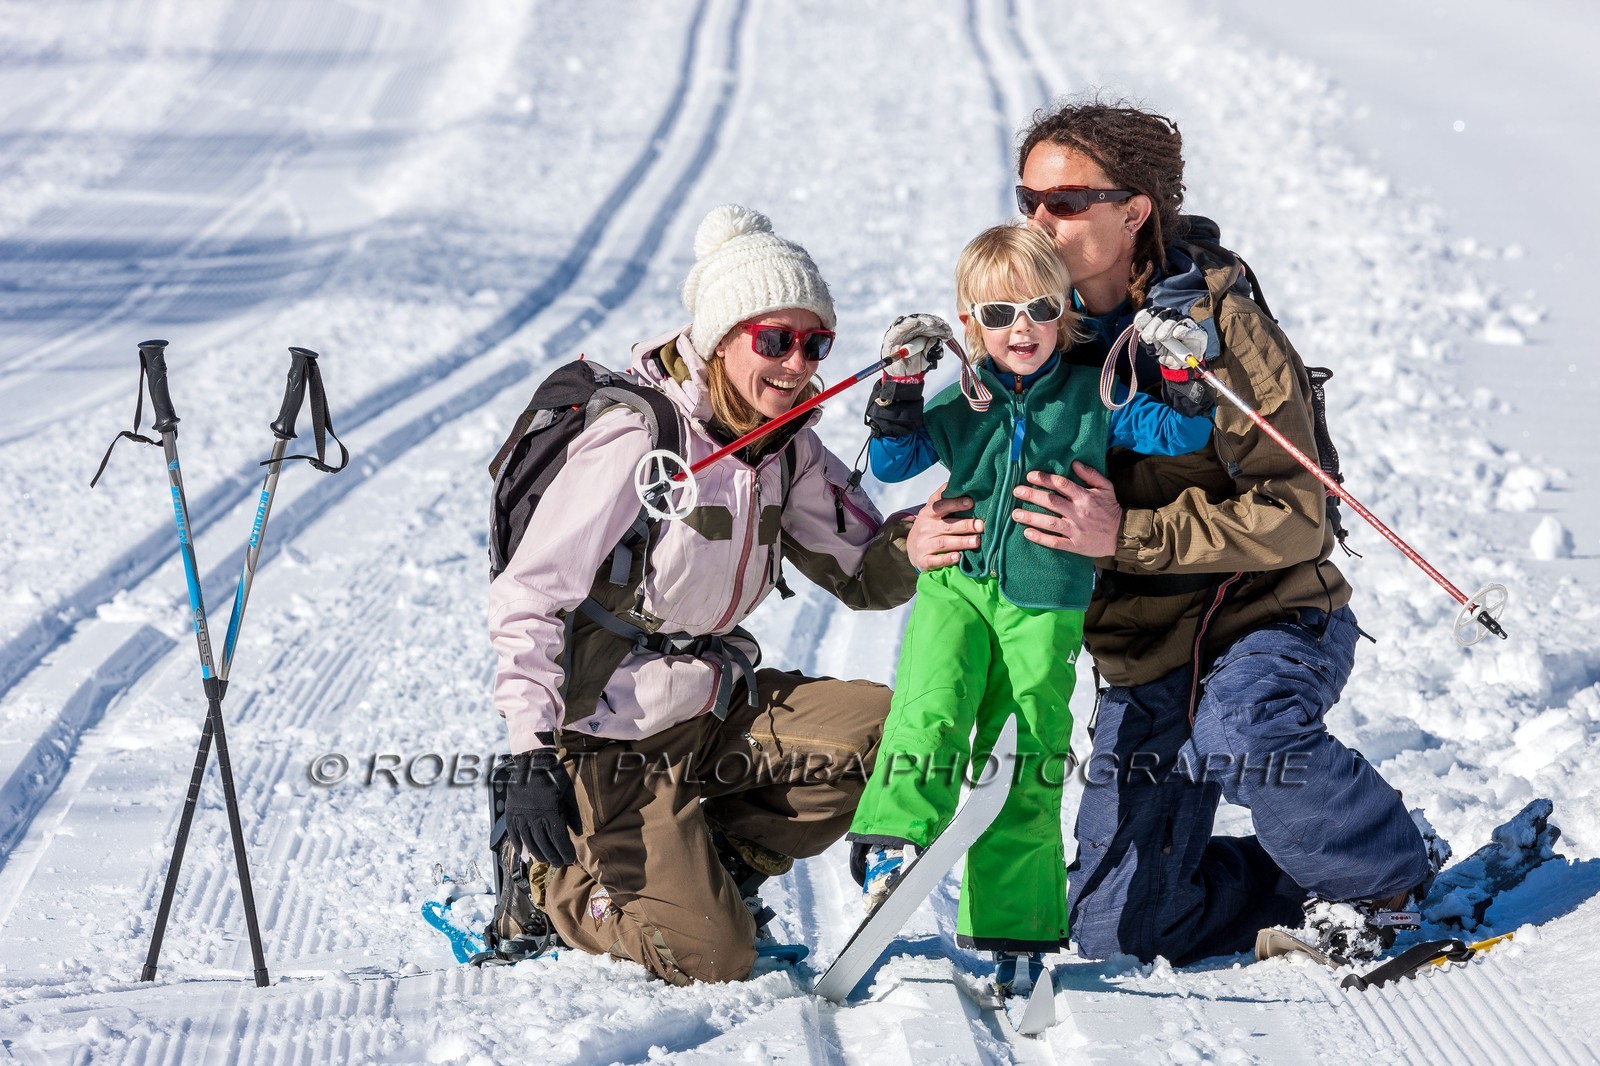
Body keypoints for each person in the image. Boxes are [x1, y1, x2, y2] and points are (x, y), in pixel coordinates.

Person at [908, 99, 1436, 967]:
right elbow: (977, 472)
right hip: (1147, 658)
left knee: (1243, 731)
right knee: (1118, 930)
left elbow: (1300, 514)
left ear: (1135, 211)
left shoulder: (1218, 331)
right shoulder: (1031, 324)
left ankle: (1386, 875)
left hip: (1262, 622)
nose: (1041, 219)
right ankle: (1297, 875)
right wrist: (918, 535)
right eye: (1029, 199)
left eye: (1068, 200)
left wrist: (1127, 534)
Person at [487, 204, 921, 985]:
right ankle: (549, 888)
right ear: (722, 337)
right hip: (612, 736)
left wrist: (925, 536)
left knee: (896, 735)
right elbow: (530, 595)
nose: (797, 364)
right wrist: (529, 753)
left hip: (714, 703)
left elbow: (863, 571)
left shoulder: (787, 446)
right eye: (775, 341)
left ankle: (711, 866)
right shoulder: (638, 436)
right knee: (710, 958)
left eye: (814, 343)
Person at [844, 223, 1214, 998]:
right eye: (999, 312)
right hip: (957, 581)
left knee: (1028, 743)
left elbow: (1181, 428)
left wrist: (1182, 368)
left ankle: (1018, 920)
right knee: (932, 701)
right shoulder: (963, 398)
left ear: (1065, 313)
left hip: (1046, 599)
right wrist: (900, 390)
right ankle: (893, 837)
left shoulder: (1096, 394)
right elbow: (892, 461)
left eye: (1041, 308)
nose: (1022, 327)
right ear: (970, 323)